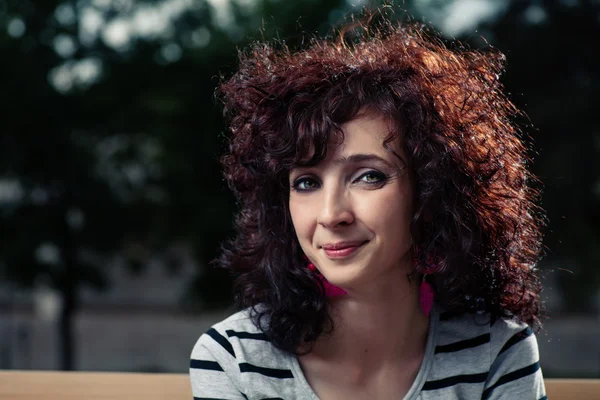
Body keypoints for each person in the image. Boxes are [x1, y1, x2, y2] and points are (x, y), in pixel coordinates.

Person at [189, 9, 546, 400]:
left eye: (368, 176)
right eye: (306, 182)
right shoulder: (233, 358)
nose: (330, 215)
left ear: (432, 190)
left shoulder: (496, 352)